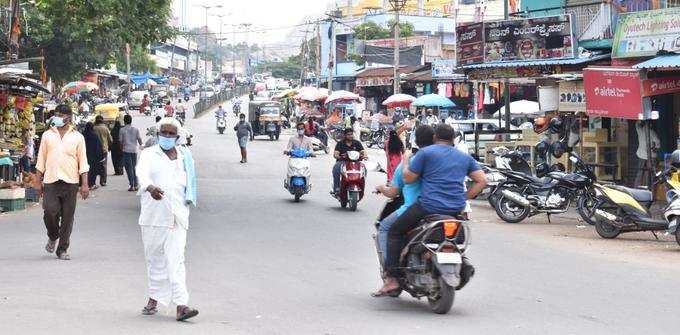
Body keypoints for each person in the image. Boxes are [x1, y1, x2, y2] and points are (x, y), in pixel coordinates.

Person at [374, 124, 487, 296]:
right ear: (454, 139)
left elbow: (408, 179)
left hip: (428, 206)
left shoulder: (426, 154)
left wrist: (405, 161)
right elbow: (481, 181)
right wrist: (463, 197)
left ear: (435, 138)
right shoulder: (464, 157)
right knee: (455, 237)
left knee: (394, 231)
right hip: (456, 209)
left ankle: (392, 278)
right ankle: (462, 261)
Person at [135, 117, 199, 321]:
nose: (168, 137)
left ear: (177, 137)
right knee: (155, 259)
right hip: (153, 215)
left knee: (176, 260)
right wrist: (150, 187)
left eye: (172, 134)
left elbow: (189, 183)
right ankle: (154, 298)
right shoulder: (148, 154)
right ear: (158, 134)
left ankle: (181, 305)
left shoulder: (184, 156)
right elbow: (141, 173)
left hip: (178, 215)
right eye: (164, 133)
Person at [35, 104, 89, 260]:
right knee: (49, 212)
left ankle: (62, 249)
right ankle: (53, 235)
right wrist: (38, 182)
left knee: (67, 217)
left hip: (71, 182)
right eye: (56, 114)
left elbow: (83, 162)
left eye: (61, 115)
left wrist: (84, 184)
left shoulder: (78, 137)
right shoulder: (47, 135)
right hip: (51, 180)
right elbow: (41, 160)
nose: (57, 117)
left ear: (69, 117)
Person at [375, 125, 434, 261]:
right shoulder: (441, 160)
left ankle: (390, 273)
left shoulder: (408, 162)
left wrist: (381, 188)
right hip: (443, 208)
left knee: (384, 228)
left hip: (416, 208)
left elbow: (392, 192)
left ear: (416, 141)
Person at [332, 128, 366, 195]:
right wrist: (338, 156)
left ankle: (361, 185)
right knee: (336, 169)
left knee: (364, 169)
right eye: (348, 135)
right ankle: (337, 188)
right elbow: (336, 154)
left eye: (351, 134)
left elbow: (363, 151)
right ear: (345, 135)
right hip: (343, 162)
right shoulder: (340, 143)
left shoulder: (357, 143)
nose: (350, 136)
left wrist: (365, 156)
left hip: (356, 162)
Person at [120, 114, 143, 192]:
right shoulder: (135, 129)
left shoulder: (122, 130)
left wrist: (121, 149)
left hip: (126, 150)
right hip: (134, 151)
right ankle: (136, 184)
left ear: (124, 121)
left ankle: (132, 185)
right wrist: (141, 146)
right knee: (133, 168)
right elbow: (139, 139)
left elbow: (120, 141)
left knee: (129, 169)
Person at [83, 122, 105, 189]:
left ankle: (85, 183)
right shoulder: (94, 135)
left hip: (84, 155)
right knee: (93, 170)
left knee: (85, 170)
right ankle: (92, 184)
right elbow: (98, 146)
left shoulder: (83, 135)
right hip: (93, 156)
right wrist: (101, 156)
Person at [92, 115, 113, 187]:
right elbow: (110, 140)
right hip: (104, 149)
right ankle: (103, 181)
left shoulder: (93, 128)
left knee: (94, 165)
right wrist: (109, 146)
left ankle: (93, 182)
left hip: (95, 150)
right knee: (103, 166)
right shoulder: (105, 128)